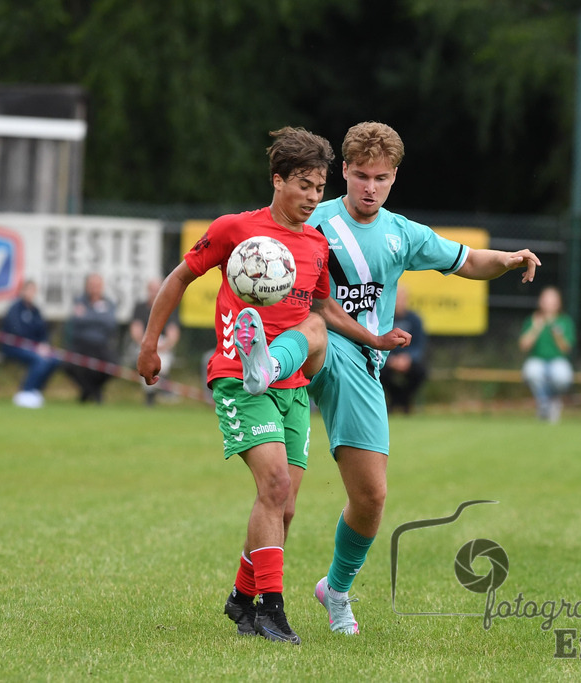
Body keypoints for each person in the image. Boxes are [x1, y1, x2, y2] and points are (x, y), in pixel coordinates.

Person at [238, 121, 540, 636]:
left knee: (370, 498)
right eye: (360, 176)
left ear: (394, 177)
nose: (370, 187)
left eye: (380, 178)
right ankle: (266, 366)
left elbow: (469, 261)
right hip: (312, 348)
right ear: (344, 173)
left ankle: (335, 590)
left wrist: (508, 260)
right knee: (315, 332)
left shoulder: (403, 233)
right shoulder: (314, 218)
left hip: (363, 363)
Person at [137, 126, 407, 645]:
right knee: (275, 486)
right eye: (303, 185)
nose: (312, 197)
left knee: (284, 505)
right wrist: (150, 345)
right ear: (277, 180)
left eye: (319, 188)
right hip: (238, 379)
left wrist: (374, 338)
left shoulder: (316, 243)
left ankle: (241, 599)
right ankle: (272, 612)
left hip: (293, 387)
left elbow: (325, 307)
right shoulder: (235, 229)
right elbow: (180, 277)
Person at [0, 279, 60, 408]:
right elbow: (17, 332)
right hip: (14, 347)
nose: (31, 293)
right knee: (39, 360)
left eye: (33, 290)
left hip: (34, 348)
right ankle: (25, 392)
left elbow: (43, 332)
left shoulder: (35, 310)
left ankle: (35, 390)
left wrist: (44, 344)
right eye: (28, 290)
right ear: (22, 291)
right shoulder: (15, 309)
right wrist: (35, 347)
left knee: (55, 359)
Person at [519, 286, 575, 422]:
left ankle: (551, 402)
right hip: (537, 360)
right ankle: (545, 405)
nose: (549, 303)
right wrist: (536, 328)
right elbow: (523, 346)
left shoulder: (565, 321)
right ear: (540, 302)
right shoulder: (532, 320)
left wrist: (557, 334)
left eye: (552, 300)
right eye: (546, 299)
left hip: (558, 360)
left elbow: (567, 349)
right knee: (532, 371)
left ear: (558, 303)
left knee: (561, 376)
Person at [63, 273, 118, 403]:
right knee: (67, 365)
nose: (94, 288)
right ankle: (90, 391)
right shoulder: (79, 301)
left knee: (112, 367)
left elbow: (110, 323)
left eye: (97, 285)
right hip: (80, 345)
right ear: (86, 286)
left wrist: (88, 316)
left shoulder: (109, 303)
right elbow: (77, 321)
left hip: (101, 345)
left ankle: (91, 391)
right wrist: (98, 318)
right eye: (91, 285)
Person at [127, 278, 180, 405]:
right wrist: (146, 344)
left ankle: (155, 391)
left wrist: (164, 346)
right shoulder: (140, 308)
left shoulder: (170, 306)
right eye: (152, 290)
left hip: (162, 345)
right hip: (144, 343)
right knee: (146, 364)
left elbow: (173, 332)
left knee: (161, 362)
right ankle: (154, 392)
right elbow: (136, 329)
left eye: (157, 290)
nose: (154, 293)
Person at [379, 286, 427, 414]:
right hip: (387, 359)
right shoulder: (383, 319)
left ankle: (402, 400)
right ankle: (396, 399)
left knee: (420, 372)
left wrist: (408, 358)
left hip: (408, 361)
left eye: (401, 298)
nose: (398, 302)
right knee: (377, 371)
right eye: (396, 298)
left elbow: (419, 344)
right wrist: (390, 359)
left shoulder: (415, 320)